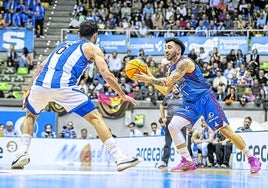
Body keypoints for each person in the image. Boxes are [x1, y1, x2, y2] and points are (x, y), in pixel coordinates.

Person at [11, 20, 141, 171]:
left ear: (79, 34)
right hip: (64, 87)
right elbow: (106, 74)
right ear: (95, 36)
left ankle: (21, 152)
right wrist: (122, 94)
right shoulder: (92, 47)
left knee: (30, 116)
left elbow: (40, 67)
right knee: (95, 117)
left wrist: (28, 91)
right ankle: (119, 157)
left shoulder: (63, 44)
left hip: (40, 85)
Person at [134, 37, 261, 173]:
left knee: (226, 132)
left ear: (178, 50)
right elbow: (165, 90)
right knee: (172, 126)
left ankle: (252, 158)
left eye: (169, 47)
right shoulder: (171, 68)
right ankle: (187, 160)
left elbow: (168, 81)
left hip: (205, 98)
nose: (166, 50)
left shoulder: (185, 63)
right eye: (165, 48)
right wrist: (150, 79)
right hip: (190, 102)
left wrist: (150, 78)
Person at [158, 85, 186, 169]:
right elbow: (161, 106)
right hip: (170, 121)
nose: (176, 89)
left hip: (181, 121)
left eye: (177, 88)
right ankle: (164, 161)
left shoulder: (184, 97)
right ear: (172, 89)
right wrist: (163, 117)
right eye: (174, 88)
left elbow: (189, 108)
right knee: (168, 143)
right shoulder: (168, 97)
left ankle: (185, 161)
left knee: (183, 143)